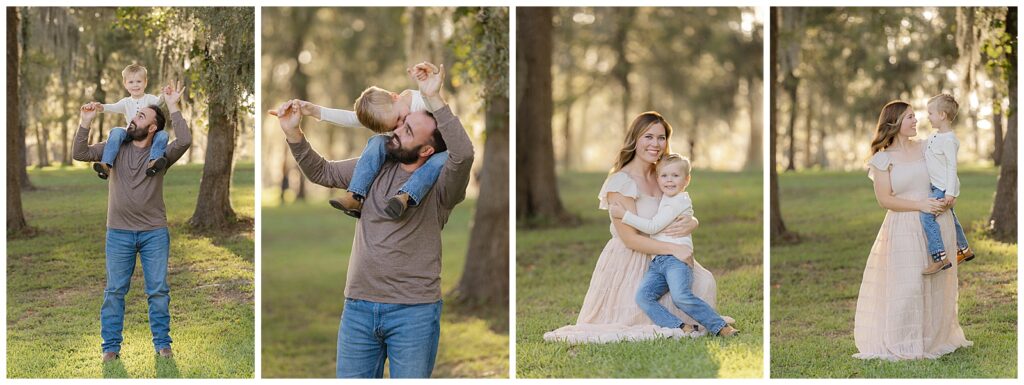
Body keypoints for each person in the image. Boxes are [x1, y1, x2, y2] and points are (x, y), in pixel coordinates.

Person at [271, 62, 474, 378]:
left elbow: (463, 153)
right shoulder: (375, 164)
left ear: (427, 150)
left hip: (414, 313)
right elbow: (321, 171)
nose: (394, 130)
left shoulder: (442, 186)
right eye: (398, 125)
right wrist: (293, 132)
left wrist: (434, 97)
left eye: (407, 130)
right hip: (358, 309)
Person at [544, 111, 732, 344]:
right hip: (632, 256)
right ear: (635, 139)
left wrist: (693, 222)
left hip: (662, 255)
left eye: (661, 138)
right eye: (648, 137)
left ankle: (700, 323)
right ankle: (680, 324)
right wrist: (673, 250)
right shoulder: (620, 183)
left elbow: (679, 205)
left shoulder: (663, 173)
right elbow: (630, 240)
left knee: (704, 282)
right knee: (640, 306)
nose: (655, 144)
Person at [72, 81, 192, 362]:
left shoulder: (161, 156)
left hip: (154, 233)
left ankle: (163, 345)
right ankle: (110, 349)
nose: (132, 118)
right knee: (114, 292)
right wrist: (85, 121)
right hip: (118, 233)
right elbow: (80, 153)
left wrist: (173, 105)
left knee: (158, 292)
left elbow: (184, 141)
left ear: (152, 128)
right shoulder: (115, 146)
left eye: (140, 117)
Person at [854, 100, 972, 360]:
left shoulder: (928, 146)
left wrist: (947, 198)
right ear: (895, 122)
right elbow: (885, 200)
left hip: (938, 222)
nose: (916, 121)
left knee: (938, 283)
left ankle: (933, 339)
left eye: (916, 117)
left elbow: (948, 170)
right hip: (904, 225)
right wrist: (919, 204)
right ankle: (903, 340)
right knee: (907, 286)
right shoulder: (882, 159)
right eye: (910, 117)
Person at [609, 153, 738, 337]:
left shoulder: (677, 201)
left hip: (676, 260)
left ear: (686, 180)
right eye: (664, 176)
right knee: (643, 297)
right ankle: (679, 326)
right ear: (658, 178)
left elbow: (653, 226)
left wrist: (624, 215)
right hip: (657, 262)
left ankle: (720, 326)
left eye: (675, 176)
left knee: (681, 297)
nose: (669, 181)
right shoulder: (667, 198)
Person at [920, 93, 974, 275]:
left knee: (926, 215)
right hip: (937, 185)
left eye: (931, 113)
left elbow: (952, 167)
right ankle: (964, 249)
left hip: (943, 187)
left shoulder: (949, 140)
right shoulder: (936, 136)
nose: (928, 117)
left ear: (942, 115)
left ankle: (940, 257)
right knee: (951, 217)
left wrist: (950, 193)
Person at [93, 63, 170, 179]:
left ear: (145, 82)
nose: (135, 85)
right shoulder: (125, 102)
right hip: (131, 133)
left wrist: (165, 94)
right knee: (116, 131)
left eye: (139, 81)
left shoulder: (150, 99)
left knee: (163, 135)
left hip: (148, 133)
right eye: (131, 82)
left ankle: (154, 162)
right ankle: (106, 164)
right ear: (125, 84)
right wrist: (101, 107)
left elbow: (160, 101)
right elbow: (113, 107)